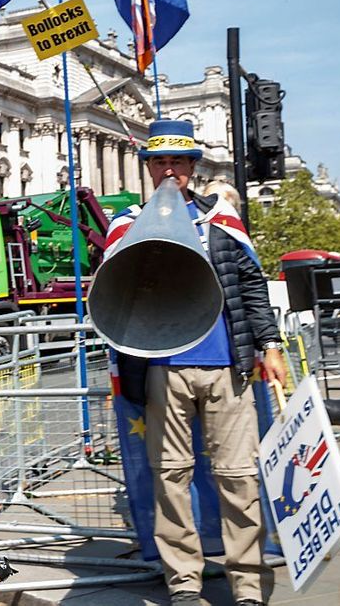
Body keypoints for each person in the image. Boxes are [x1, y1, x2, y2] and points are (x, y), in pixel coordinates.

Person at [106, 120, 286, 606]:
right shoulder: (127, 226)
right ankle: (183, 582)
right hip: (162, 368)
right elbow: (115, 297)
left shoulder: (221, 219)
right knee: (171, 477)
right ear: (149, 169)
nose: (169, 170)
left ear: (191, 168)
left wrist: (269, 344)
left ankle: (246, 583)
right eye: (160, 162)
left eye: (178, 162)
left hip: (227, 365)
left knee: (238, 477)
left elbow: (251, 287)